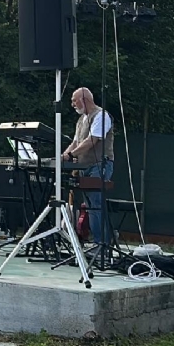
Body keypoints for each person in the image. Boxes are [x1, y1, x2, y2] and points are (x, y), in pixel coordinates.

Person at [60, 87, 115, 248]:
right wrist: (63, 156)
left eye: (74, 100)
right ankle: (91, 241)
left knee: (95, 204)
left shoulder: (101, 116)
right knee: (89, 205)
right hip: (85, 166)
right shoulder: (81, 120)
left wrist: (71, 156)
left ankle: (102, 244)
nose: (72, 104)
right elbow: (76, 142)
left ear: (85, 99)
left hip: (100, 164)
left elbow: (92, 140)